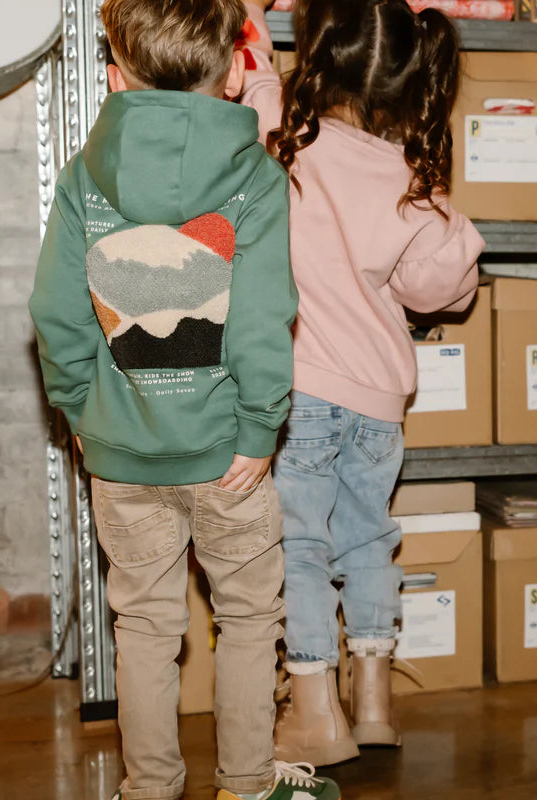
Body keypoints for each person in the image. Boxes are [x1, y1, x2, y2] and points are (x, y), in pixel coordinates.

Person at [29, 1, 341, 799]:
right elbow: (267, 319)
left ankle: (150, 786)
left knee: (141, 628)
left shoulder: (80, 180)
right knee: (245, 621)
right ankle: (242, 784)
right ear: (238, 73)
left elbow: (56, 317)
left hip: (121, 455)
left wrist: (80, 412)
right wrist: (258, 426)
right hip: (229, 457)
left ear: (113, 77)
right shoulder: (257, 181)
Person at [239, 0, 484, 767]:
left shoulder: (281, 131)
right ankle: (373, 700)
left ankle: (315, 711)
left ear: (315, 54)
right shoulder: (406, 174)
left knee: (300, 546)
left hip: (302, 388)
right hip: (379, 401)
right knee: (369, 538)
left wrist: (250, 14)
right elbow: (444, 289)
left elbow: (243, 77)